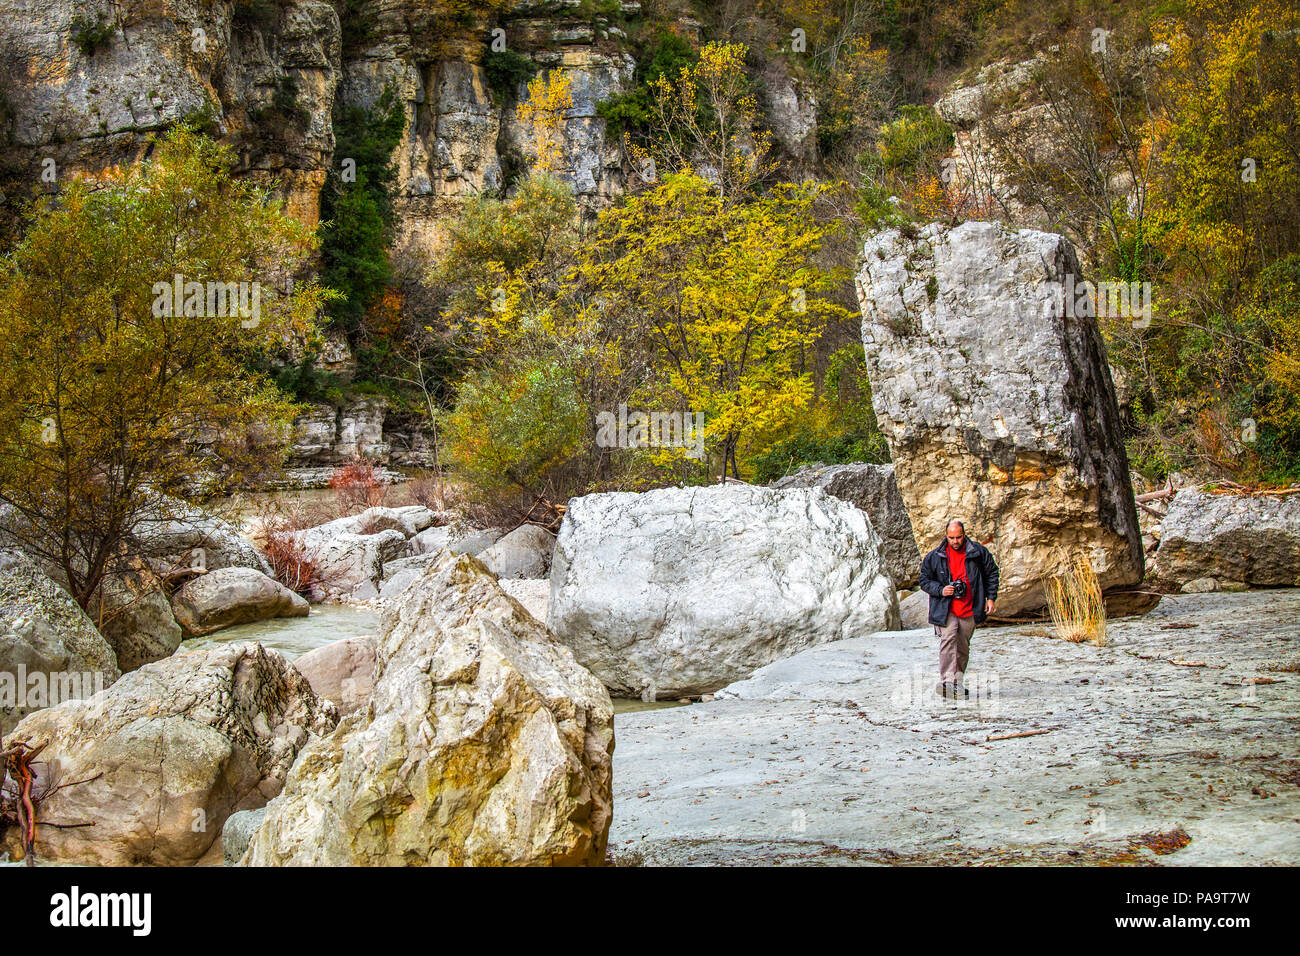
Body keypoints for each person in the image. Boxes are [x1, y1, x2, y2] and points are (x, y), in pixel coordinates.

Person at [918, 520, 1000, 698]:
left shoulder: (978, 552)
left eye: (958, 537)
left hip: (970, 607)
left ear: (964, 534)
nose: (955, 541)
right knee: (948, 640)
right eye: (951, 538)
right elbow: (924, 581)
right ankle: (947, 682)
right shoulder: (935, 556)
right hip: (946, 608)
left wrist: (991, 598)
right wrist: (941, 590)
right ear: (945, 536)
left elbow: (992, 573)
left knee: (962, 646)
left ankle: (957, 683)